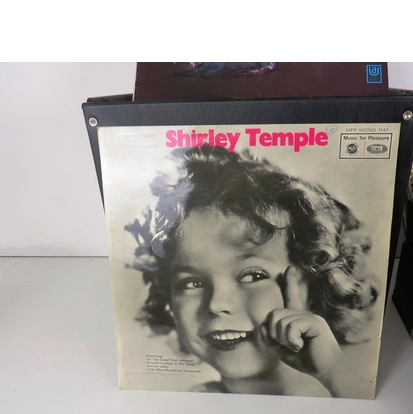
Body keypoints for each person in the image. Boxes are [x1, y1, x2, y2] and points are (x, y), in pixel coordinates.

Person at [125, 145, 379, 397]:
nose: (217, 304)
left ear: (316, 280)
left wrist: (332, 371)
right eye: (191, 283)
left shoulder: (349, 391)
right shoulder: (192, 405)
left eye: (252, 276)